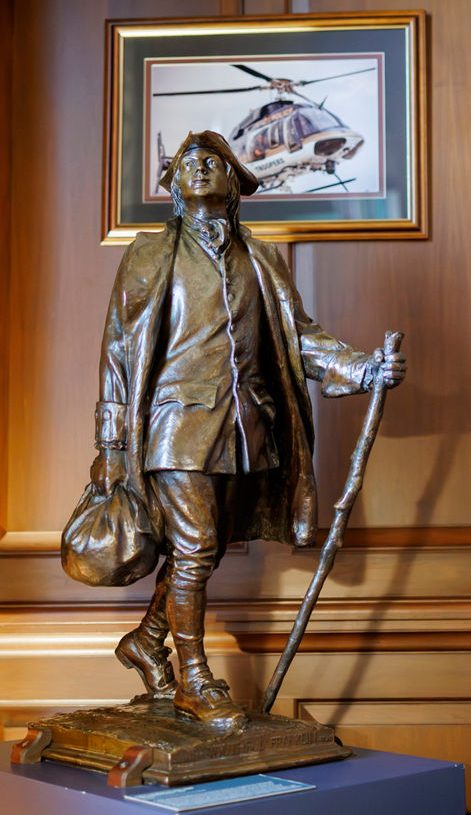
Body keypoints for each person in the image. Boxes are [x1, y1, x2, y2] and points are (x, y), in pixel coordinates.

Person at [89, 131, 405, 732]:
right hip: (174, 426)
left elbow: (298, 338)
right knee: (197, 549)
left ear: (234, 182)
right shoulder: (150, 254)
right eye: (189, 162)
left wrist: (364, 369)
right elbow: (117, 351)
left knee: (200, 550)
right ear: (175, 187)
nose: (200, 167)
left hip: (245, 429)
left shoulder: (261, 258)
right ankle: (194, 680)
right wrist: (110, 444)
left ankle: (147, 640)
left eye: (214, 162)